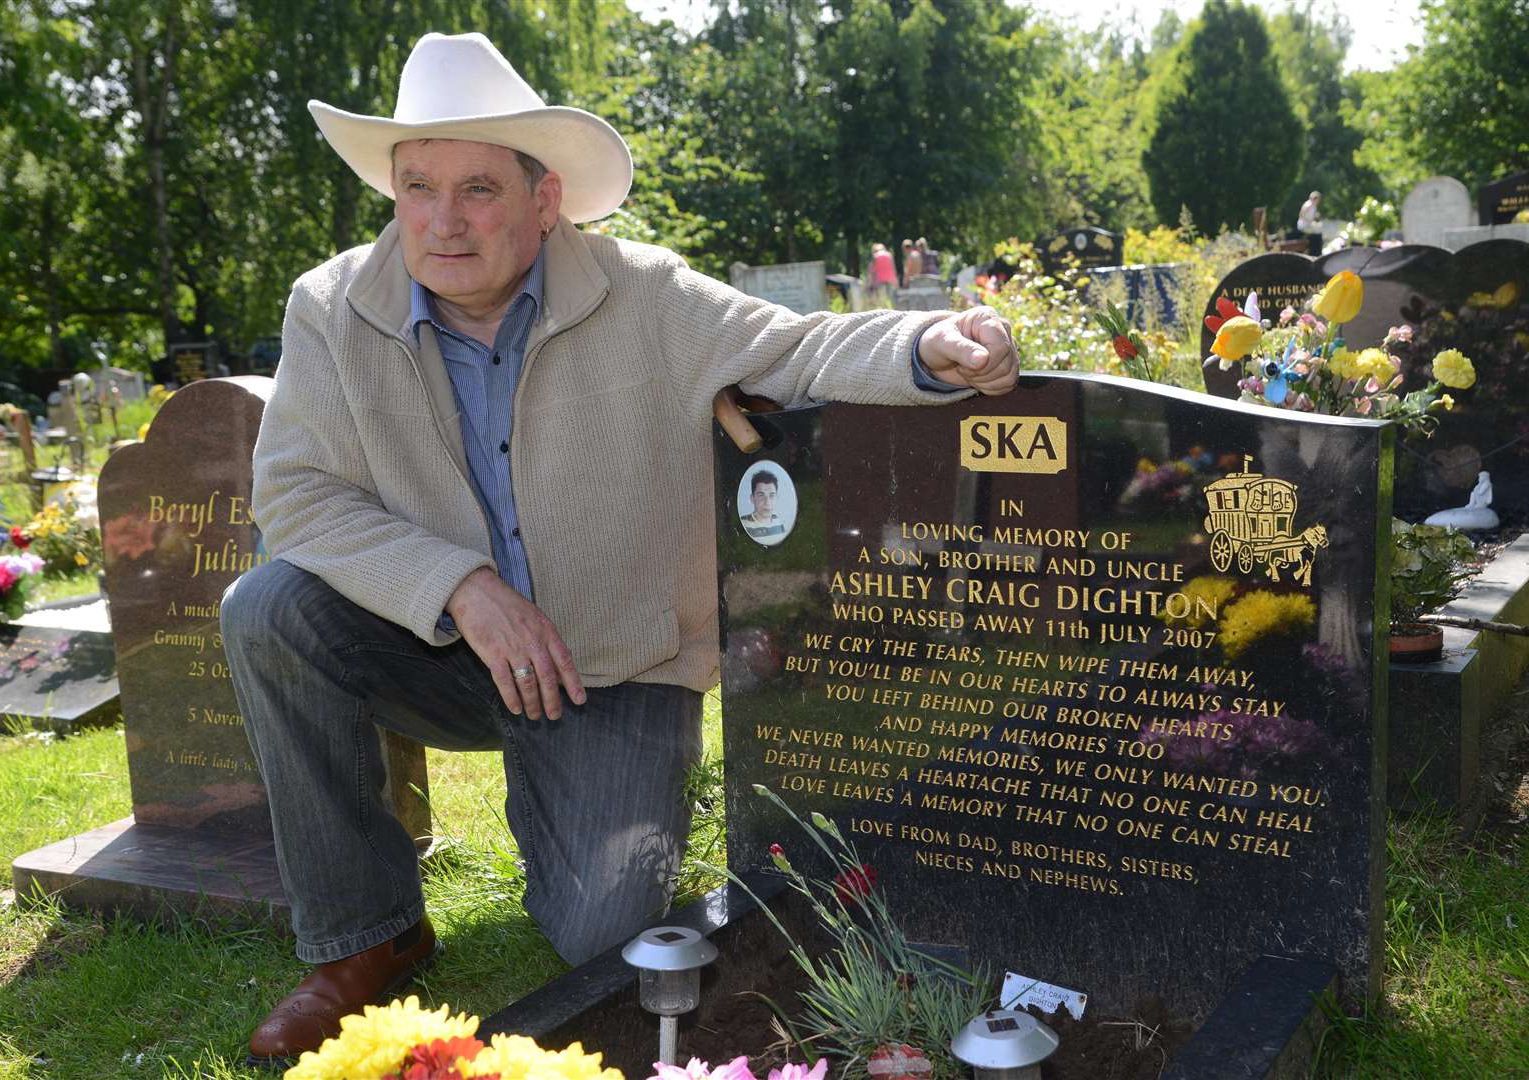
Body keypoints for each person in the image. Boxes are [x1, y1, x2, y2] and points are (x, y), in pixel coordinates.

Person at [219, 31, 1019, 1067]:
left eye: (476, 189)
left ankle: (561, 801)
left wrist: (930, 342)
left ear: (544, 201)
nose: (442, 220)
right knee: (269, 611)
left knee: (598, 946)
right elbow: (294, 495)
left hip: (611, 667)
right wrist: (459, 586)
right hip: (433, 647)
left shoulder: (646, 295)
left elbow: (799, 346)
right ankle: (365, 937)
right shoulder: (331, 310)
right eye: (417, 186)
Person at [739, 469, 787, 541]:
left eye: (771, 495)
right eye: (761, 495)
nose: (767, 502)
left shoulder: (779, 522)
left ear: (776, 498)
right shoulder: (743, 524)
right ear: (752, 498)